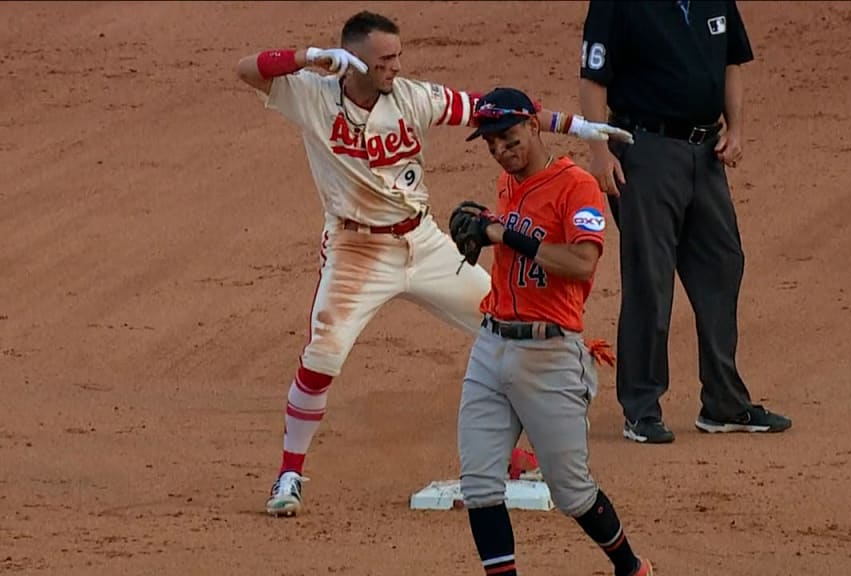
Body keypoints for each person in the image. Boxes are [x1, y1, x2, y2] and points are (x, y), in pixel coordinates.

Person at [234, 10, 634, 516]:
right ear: (352, 59)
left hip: (423, 242)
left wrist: (578, 126)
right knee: (323, 354)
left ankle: (510, 451)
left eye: (398, 56)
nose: (396, 67)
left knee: (500, 319)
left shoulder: (413, 97)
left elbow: (489, 112)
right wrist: (308, 57)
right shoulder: (310, 95)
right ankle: (289, 473)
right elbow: (247, 70)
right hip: (357, 250)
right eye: (385, 60)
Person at [448, 87, 653, 576]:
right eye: (491, 142)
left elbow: (582, 264)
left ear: (533, 127)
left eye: (508, 136)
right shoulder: (505, 185)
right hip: (491, 346)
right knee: (479, 486)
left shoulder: (576, 186)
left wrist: (500, 233)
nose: (500, 148)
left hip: (550, 354)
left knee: (572, 492)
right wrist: (485, 229)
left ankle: (631, 567)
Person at [578, 1, 792, 444]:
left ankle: (724, 403)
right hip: (645, 150)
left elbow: (731, 59)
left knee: (723, 266)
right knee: (650, 279)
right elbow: (593, 79)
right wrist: (599, 151)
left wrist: (736, 127)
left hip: (706, 152)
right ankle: (641, 409)